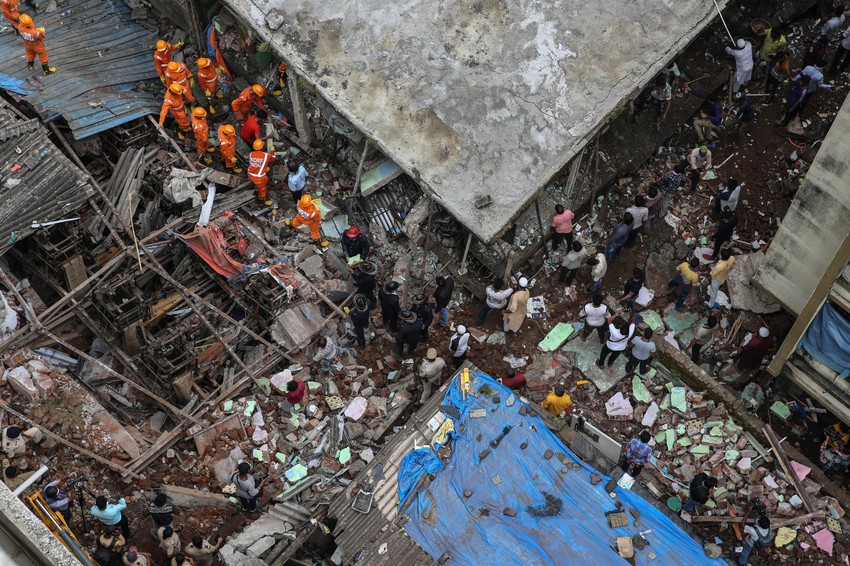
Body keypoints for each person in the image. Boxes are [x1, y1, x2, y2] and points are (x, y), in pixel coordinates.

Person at [248, 139, 276, 206]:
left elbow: (256, 163)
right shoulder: (266, 155)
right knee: (262, 188)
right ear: (262, 147)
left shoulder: (251, 154)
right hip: (259, 178)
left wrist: (265, 167)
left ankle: (255, 186)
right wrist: (272, 150)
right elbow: (273, 158)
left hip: (250, 173)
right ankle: (261, 199)